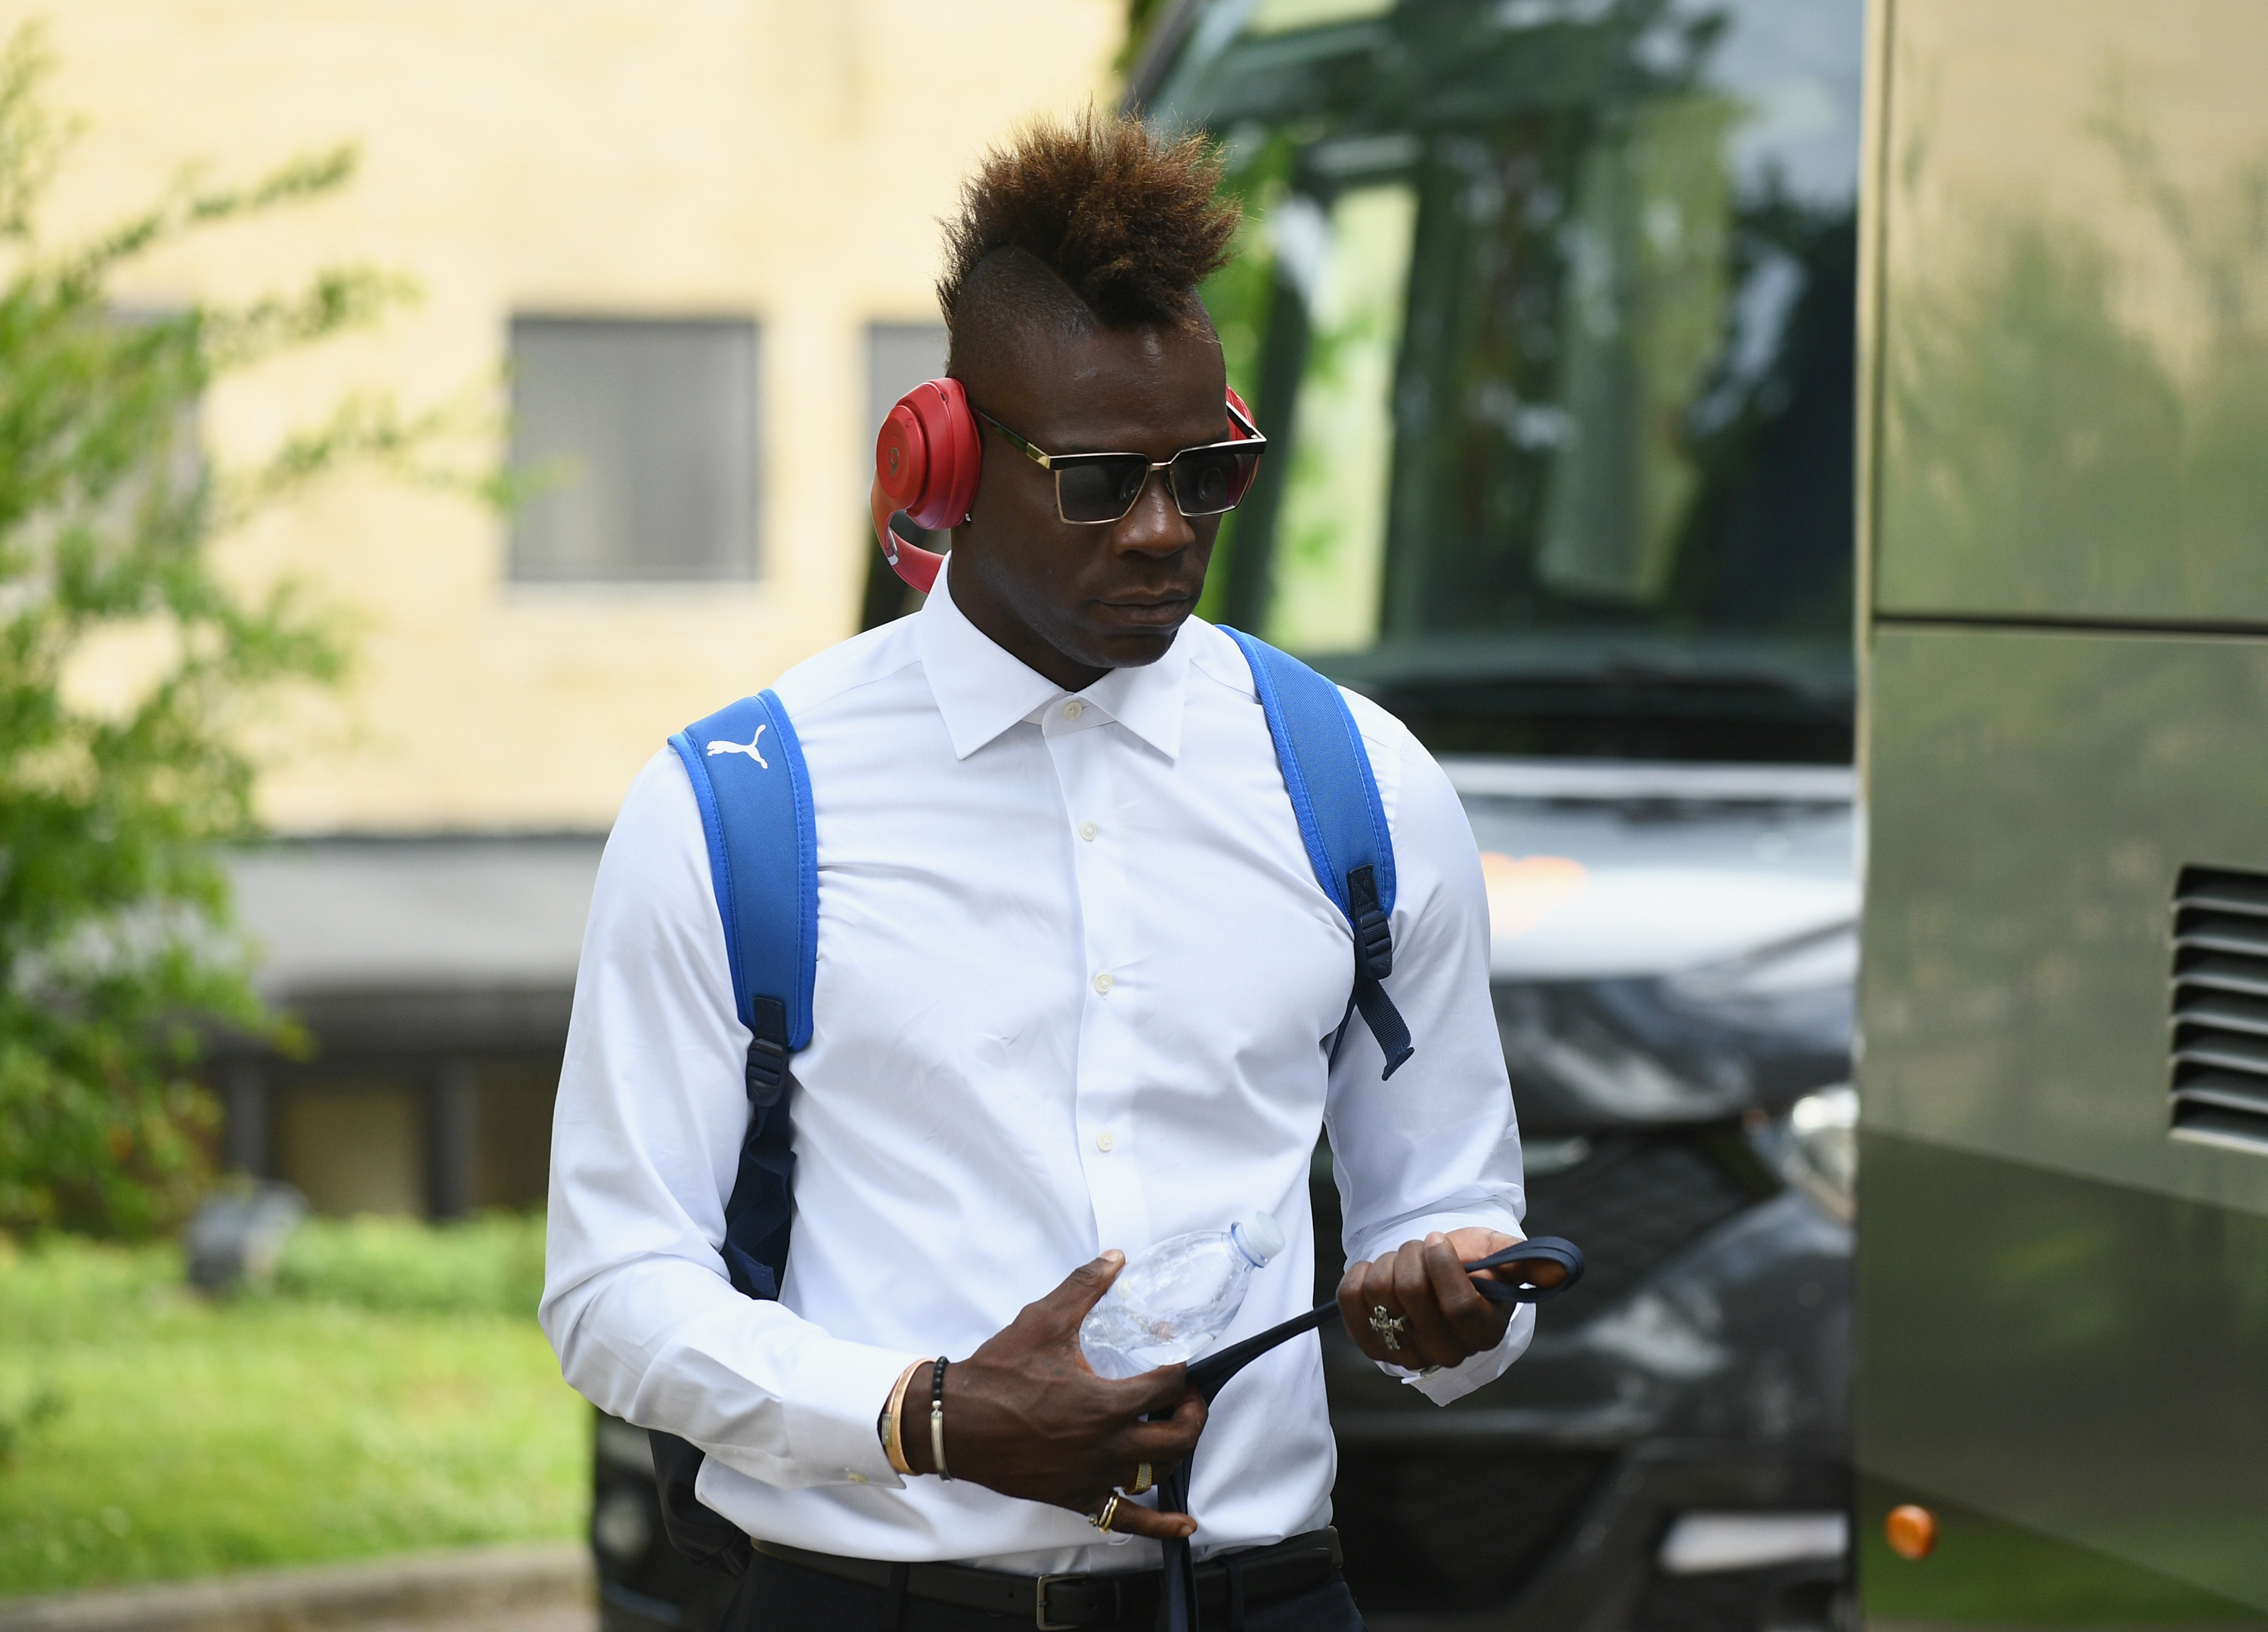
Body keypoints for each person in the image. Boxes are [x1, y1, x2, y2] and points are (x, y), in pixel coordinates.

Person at [542, 112, 1541, 1632]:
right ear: (943, 453)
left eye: (1206, 473)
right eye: (1096, 481)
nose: (1160, 532)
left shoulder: (1363, 785)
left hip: (1265, 1600)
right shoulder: (739, 809)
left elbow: (1458, 1220)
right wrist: (925, 1414)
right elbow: (612, 1294)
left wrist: (1447, 1302)